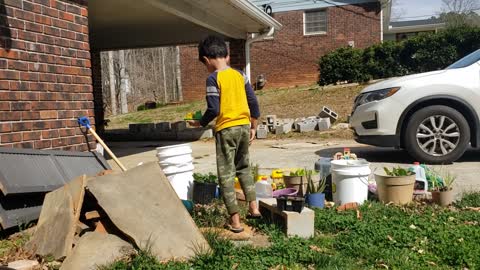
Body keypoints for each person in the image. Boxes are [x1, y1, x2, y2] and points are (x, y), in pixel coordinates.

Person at [190, 35, 261, 233]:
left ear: (206, 60)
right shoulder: (240, 75)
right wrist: (253, 126)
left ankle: (235, 221)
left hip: (226, 129)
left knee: (227, 174)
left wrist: (200, 122)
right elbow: (254, 103)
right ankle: (254, 208)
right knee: (244, 168)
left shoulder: (213, 78)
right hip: (244, 127)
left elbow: (214, 109)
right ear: (227, 56)